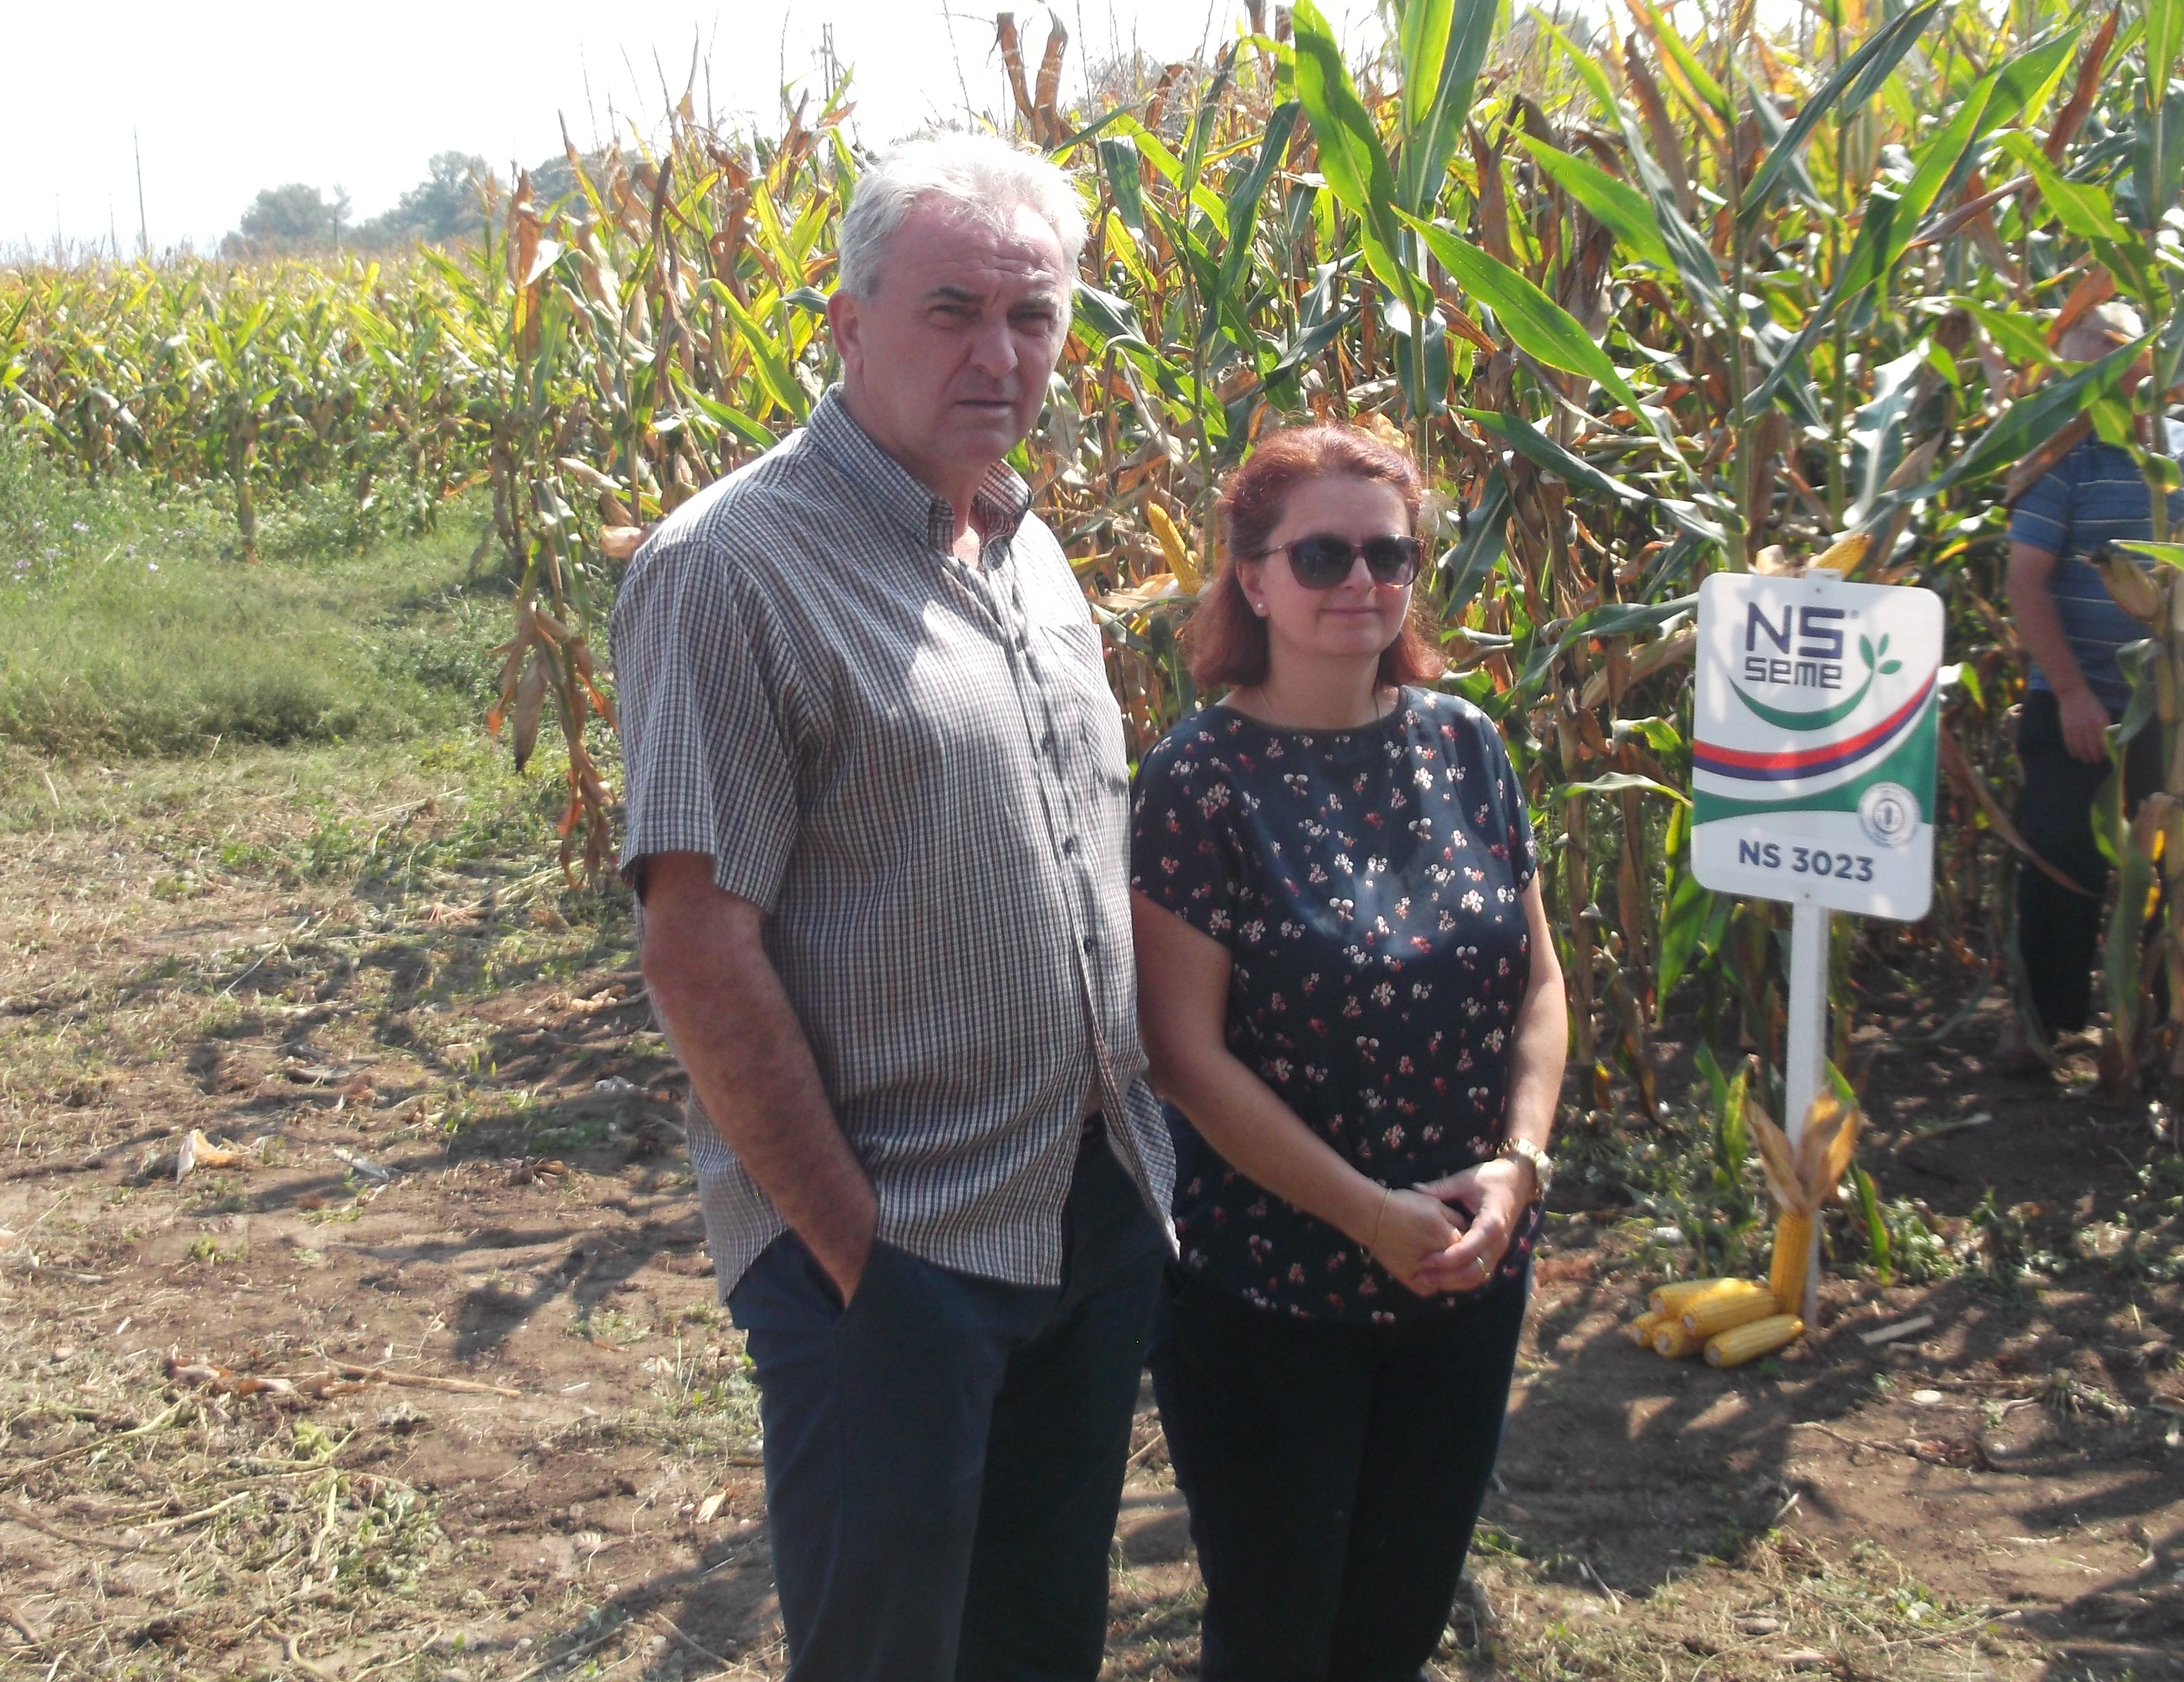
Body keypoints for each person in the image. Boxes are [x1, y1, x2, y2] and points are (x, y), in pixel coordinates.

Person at [610, 134, 1177, 1682]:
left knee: (1035, 1641)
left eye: (1033, 316)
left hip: (1083, 1210)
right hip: (896, 1242)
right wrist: (857, 1254)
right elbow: (695, 944)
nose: (998, 355)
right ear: (848, 325)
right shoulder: (729, 568)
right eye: (950, 311)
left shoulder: (1025, 544)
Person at [1129, 422, 1570, 1682]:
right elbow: (1182, 1056)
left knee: (1394, 1628)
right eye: (1319, 555)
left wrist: (1517, 1166)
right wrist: (1367, 1214)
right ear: (1251, 578)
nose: (1360, 581)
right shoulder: (1198, 779)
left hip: (1463, 1269)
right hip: (1268, 1293)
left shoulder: (1465, 745)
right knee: (1278, 1635)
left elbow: (1539, 985)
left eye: (1390, 555)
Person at [2002, 303, 2184, 1072]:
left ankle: (2172, 1021)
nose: (2099, 389)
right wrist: (2072, 694)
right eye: (2082, 375)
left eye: (2114, 369)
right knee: (2060, 856)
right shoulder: (2060, 460)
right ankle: (2046, 1023)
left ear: (2149, 368)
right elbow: (2026, 583)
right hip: (2083, 704)